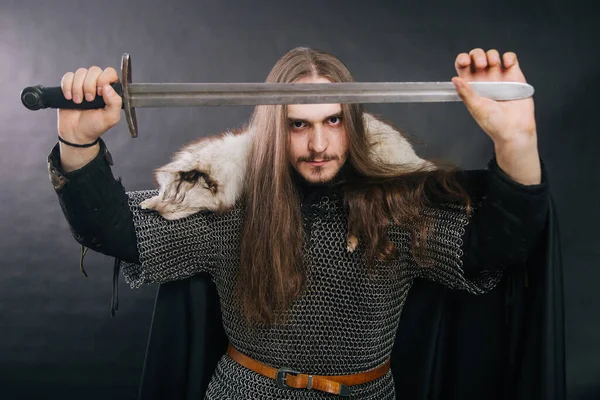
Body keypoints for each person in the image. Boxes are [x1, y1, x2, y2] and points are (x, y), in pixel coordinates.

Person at [47, 47, 565, 399]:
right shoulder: (232, 207)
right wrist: (78, 143)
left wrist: (515, 142)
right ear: (276, 130)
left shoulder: (398, 207)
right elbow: (115, 231)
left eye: (332, 121)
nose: (318, 144)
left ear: (352, 122)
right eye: (299, 124)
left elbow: (500, 244)